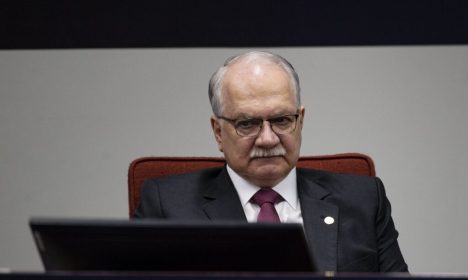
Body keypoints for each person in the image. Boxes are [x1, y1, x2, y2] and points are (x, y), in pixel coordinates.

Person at [134, 51, 408, 272]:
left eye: (281, 120)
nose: (267, 139)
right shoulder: (166, 206)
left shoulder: (363, 199)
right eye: (247, 123)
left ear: (300, 121)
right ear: (218, 132)